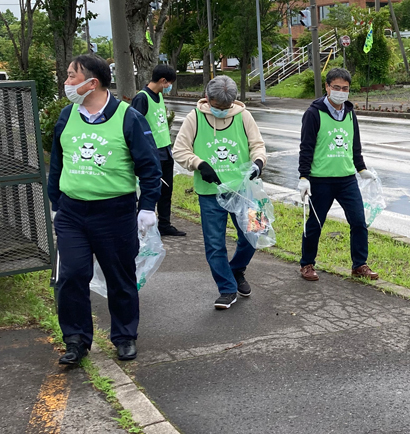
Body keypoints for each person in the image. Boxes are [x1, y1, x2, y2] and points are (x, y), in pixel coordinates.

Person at [49, 55, 161, 364]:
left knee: (120, 277)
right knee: (71, 275)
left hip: (115, 213)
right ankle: (75, 339)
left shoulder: (127, 117)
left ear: (92, 83)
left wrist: (147, 207)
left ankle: (124, 336)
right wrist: (56, 203)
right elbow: (57, 163)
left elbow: (150, 168)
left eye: (72, 77)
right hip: (72, 213)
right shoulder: (66, 116)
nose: (67, 82)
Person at [172, 75, 266, 310]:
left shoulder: (243, 116)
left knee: (255, 233)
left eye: (227, 107)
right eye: (217, 107)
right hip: (210, 192)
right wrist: (199, 164)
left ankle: (236, 270)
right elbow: (180, 151)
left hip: (245, 192)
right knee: (215, 243)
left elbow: (258, 145)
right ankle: (226, 288)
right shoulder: (195, 118)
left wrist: (258, 162)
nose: (222, 111)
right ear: (207, 98)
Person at [298, 67, 378, 282]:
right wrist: (304, 177)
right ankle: (307, 264)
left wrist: (361, 169)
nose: (341, 92)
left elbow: (354, 144)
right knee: (315, 224)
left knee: (359, 222)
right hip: (320, 179)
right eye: (337, 87)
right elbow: (306, 147)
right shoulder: (314, 113)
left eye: (345, 88)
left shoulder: (350, 113)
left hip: (346, 179)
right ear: (327, 87)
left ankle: (359, 264)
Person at [131, 64, 186, 237]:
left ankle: (165, 224)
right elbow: (135, 127)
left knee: (166, 191)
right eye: (169, 83)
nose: (169, 87)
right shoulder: (142, 98)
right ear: (163, 81)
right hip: (153, 154)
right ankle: (142, 226)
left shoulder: (159, 96)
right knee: (152, 190)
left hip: (165, 151)